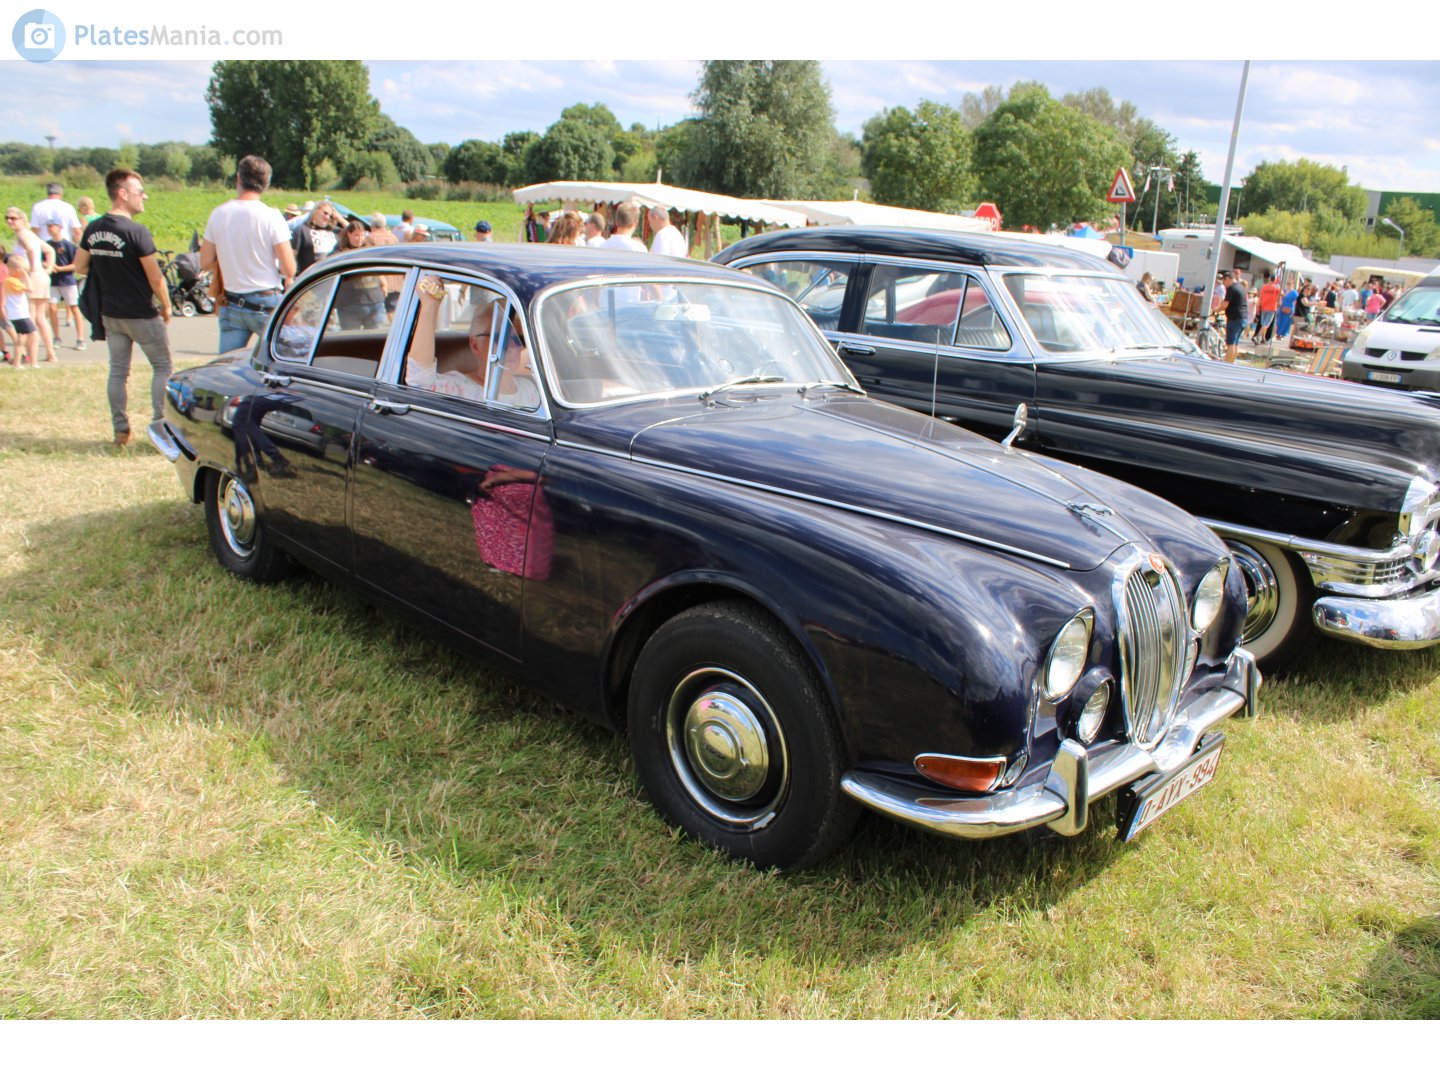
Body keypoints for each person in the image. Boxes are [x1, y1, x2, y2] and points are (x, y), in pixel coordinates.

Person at [73, 168, 172, 448]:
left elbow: (80, 266)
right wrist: (166, 306)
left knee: (118, 372)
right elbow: (155, 277)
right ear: (123, 194)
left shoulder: (93, 229)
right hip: (141, 313)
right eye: (140, 192)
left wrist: (109, 269)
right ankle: (161, 427)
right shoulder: (136, 232)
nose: (144, 197)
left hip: (111, 314)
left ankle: (120, 429)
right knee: (163, 367)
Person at [200, 154, 296, 353]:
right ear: (266, 184)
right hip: (266, 301)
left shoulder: (219, 213)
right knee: (281, 360)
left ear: (238, 178)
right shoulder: (271, 216)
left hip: (231, 301)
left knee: (228, 364)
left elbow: (205, 262)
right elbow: (289, 268)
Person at [405, 274, 539, 409]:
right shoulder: (458, 388)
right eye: (499, 338)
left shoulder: (531, 391)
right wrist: (430, 305)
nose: (510, 348)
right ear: (475, 346)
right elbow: (420, 384)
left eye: (518, 339)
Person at [6, 206, 57, 363]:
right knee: (41, 318)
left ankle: (29, 355)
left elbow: (31, 250)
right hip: (41, 277)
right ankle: (50, 353)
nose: (9, 221)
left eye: (13, 218)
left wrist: (31, 270)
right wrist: (47, 269)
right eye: (7, 218)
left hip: (32, 277)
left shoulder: (22, 234)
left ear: (22, 219)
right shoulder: (30, 234)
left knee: (31, 318)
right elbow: (50, 250)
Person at [45, 220, 83, 350]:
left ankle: (80, 338)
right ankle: (56, 337)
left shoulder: (69, 245)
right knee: (52, 308)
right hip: (53, 281)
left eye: (52, 226)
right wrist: (48, 265)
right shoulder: (47, 245)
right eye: (48, 226)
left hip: (67, 281)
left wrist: (61, 268)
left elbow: (76, 265)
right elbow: (42, 261)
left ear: (60, 227)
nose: (49, 229)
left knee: (74, 308)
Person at [4, 254, 37, 367]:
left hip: (19, 313)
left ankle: (18, 363)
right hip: (19, 314)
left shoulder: (13, 280)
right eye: (22, 271)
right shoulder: (12, 281)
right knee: (33, 336)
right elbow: (30, 289)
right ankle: (32, 363)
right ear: (14, 270)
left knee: (21, 338)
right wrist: (26, 276)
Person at [291, 201, 339, 274]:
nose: (327, 217)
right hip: (310, 277)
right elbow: (292, 255)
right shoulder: (302, 230)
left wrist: (340, 219)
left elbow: (352, 232)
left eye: (330, 215)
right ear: (316, 211)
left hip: (331, 276)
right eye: (325, 213)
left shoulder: (335, 232)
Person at [1218, 269, 1247, 363]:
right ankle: (1231, 363)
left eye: (1224, 281)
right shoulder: (1241, 287)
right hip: (1243, 318)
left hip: (1234, 318)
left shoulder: (1231, 288)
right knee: (1235, 343)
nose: (1224, 284)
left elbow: (1224, 305)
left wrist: (1215, 309)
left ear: (1227, 279)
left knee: (1230, 344)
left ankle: (1226, 364)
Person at [1257, 272, 1281, 344]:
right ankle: (1257, 336)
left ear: (1270, 279)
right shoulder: (1277, 288)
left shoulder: (1264, 287)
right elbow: (1280, 296)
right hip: (1272, 307)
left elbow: (1260, 297)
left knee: (1263, 323)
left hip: (1264, 306)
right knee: (1266, 324)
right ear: (1275, 280)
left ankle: (1263, 338)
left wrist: (1258, 307)